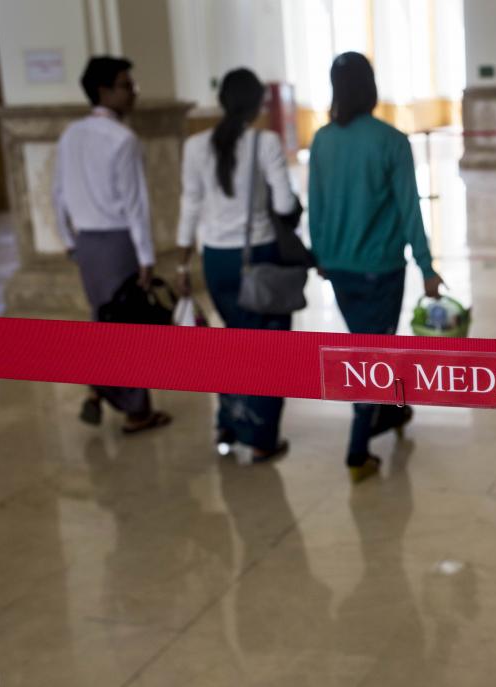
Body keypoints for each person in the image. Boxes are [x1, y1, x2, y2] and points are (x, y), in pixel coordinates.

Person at [308, 52, 443, 483]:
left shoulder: (324, 140)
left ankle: (392, 409)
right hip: (381, 270)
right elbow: (410, 210)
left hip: (340, 270)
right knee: (373, 353)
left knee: (366, 344)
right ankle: (356, 451)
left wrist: (323, 257)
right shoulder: (390, 141)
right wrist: (426, 266)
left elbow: (318, 207)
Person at [175, 68, 298, 464]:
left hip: (216, 261)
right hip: (258, 258)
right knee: (268, 350)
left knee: (232, 342)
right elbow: (283, 205)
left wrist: (182, 261)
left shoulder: (195, 145)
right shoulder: (265, 142)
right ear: (256, 103)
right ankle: (260, 437)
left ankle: (228, 424)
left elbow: (190, 204)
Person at [52, 55, 172, 435]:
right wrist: (147, 258)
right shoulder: (122, 139)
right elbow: (135, 204)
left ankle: (96, 390)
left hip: (87, 242)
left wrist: (69, 239)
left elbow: (57, 195)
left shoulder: (71, 134)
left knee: (102, 318)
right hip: (118, 241)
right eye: (126, 84)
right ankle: (137, 411)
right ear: (104, 90)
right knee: (127, 325)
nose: (133, 92)